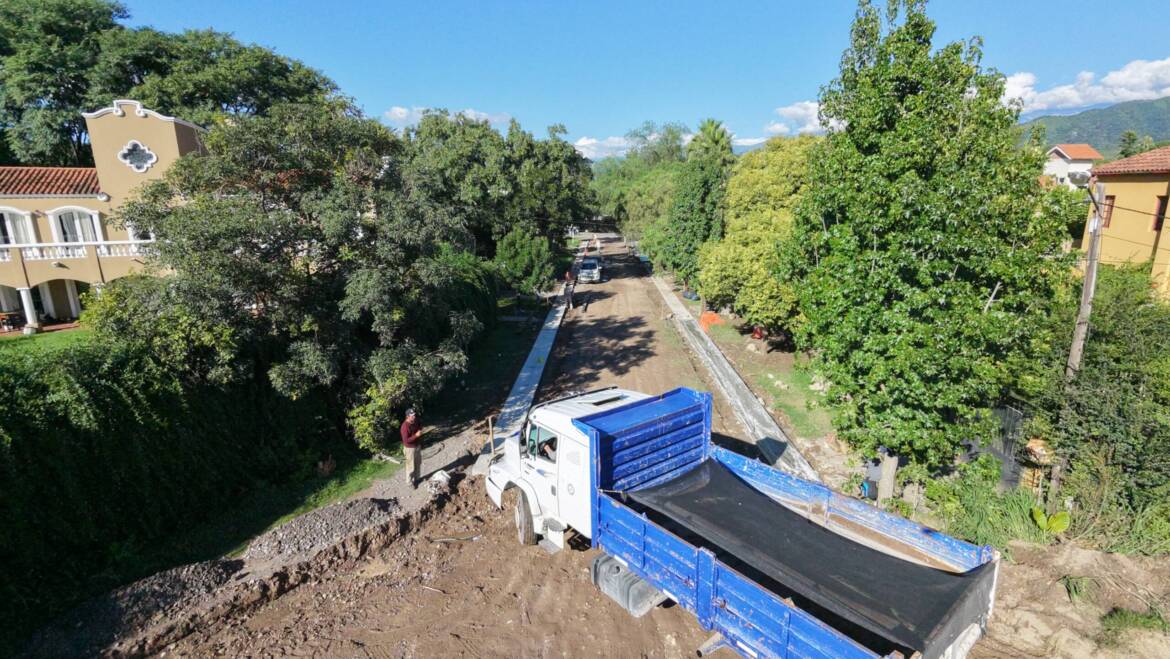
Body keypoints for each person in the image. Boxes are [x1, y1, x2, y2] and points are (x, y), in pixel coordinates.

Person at [401, 408, 423, 488]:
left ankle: (417, 479)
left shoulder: (415, 421)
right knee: (410, 466)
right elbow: (406, 440)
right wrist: (416, 436)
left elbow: (420, 425)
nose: (414, 416)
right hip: (410, 449)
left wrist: (420, 429)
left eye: (414, 415)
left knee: (418, 463)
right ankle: (409, 482)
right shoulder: (404, 426)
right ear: (407, 416)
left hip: (417, 446)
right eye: (412, 415)